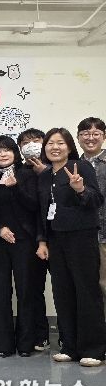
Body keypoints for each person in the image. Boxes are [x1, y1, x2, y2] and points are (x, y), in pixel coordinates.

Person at [36, 127, 106, 367]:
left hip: (81, 238)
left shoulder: (81, 167)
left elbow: (96, 200)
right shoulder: (45, 175)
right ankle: (69, 345)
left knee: (86, 291)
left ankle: (94, 349)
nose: (55, 147)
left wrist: (81, 189)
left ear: (69, 146)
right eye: (50, 143)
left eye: (60, 143)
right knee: (62, 292)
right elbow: (41, 211)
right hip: (55, 240)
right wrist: (42, 241)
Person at [0, 135, 37, 358]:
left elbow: (34, 205)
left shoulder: (26, 173)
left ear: (15, 152)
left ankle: (26, 344)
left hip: (24, 241)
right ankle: (4, 344)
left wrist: (16, 187)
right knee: (0, 292)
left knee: (25, 291)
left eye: (6, 149)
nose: (2, 154)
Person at [16, 128, 52, 352]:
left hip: (59, 236)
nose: (31, 144)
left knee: (67, 288)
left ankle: (72, 337)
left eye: (35, 140)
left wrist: (45, 173)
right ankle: (41, 334)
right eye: (25, 142)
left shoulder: (57, 167)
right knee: (34, 289)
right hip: (31, 239)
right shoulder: (19, 172)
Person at [76, 117, 106, 316]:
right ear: (78, 137)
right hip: (81, 238)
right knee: (87, 287)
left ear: (104, 136)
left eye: (96, 133)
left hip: (104, 235)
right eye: (85, 133)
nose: (90, 138)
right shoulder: (73, 164)